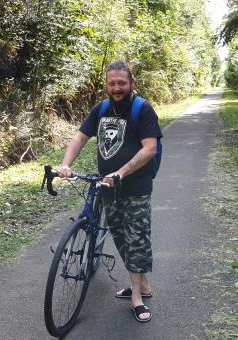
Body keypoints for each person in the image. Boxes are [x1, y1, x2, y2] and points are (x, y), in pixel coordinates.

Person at [58, 60, 162, 322]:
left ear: (131, 84)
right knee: (121, 239)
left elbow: (149, 148)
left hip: (135, 188)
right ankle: (143, 285)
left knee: (137, 239)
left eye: (121, 83)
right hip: (107, 187)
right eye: (112, 83)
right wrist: (65, 164)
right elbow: (80, 137)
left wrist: (121, 172)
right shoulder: (101, 109)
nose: (116, 88)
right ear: (107, 84)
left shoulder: (143, 110)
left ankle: (137, 298)